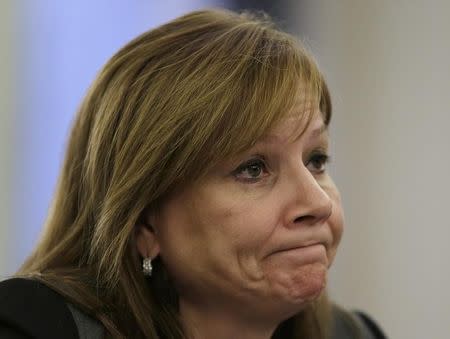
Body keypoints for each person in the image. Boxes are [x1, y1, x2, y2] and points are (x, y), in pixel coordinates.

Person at [0, 8, 388, 339]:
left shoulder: (353, 334)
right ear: (145, 225)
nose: (318, 203)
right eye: (253, 169)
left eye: (316, 161)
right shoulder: (30, 327)